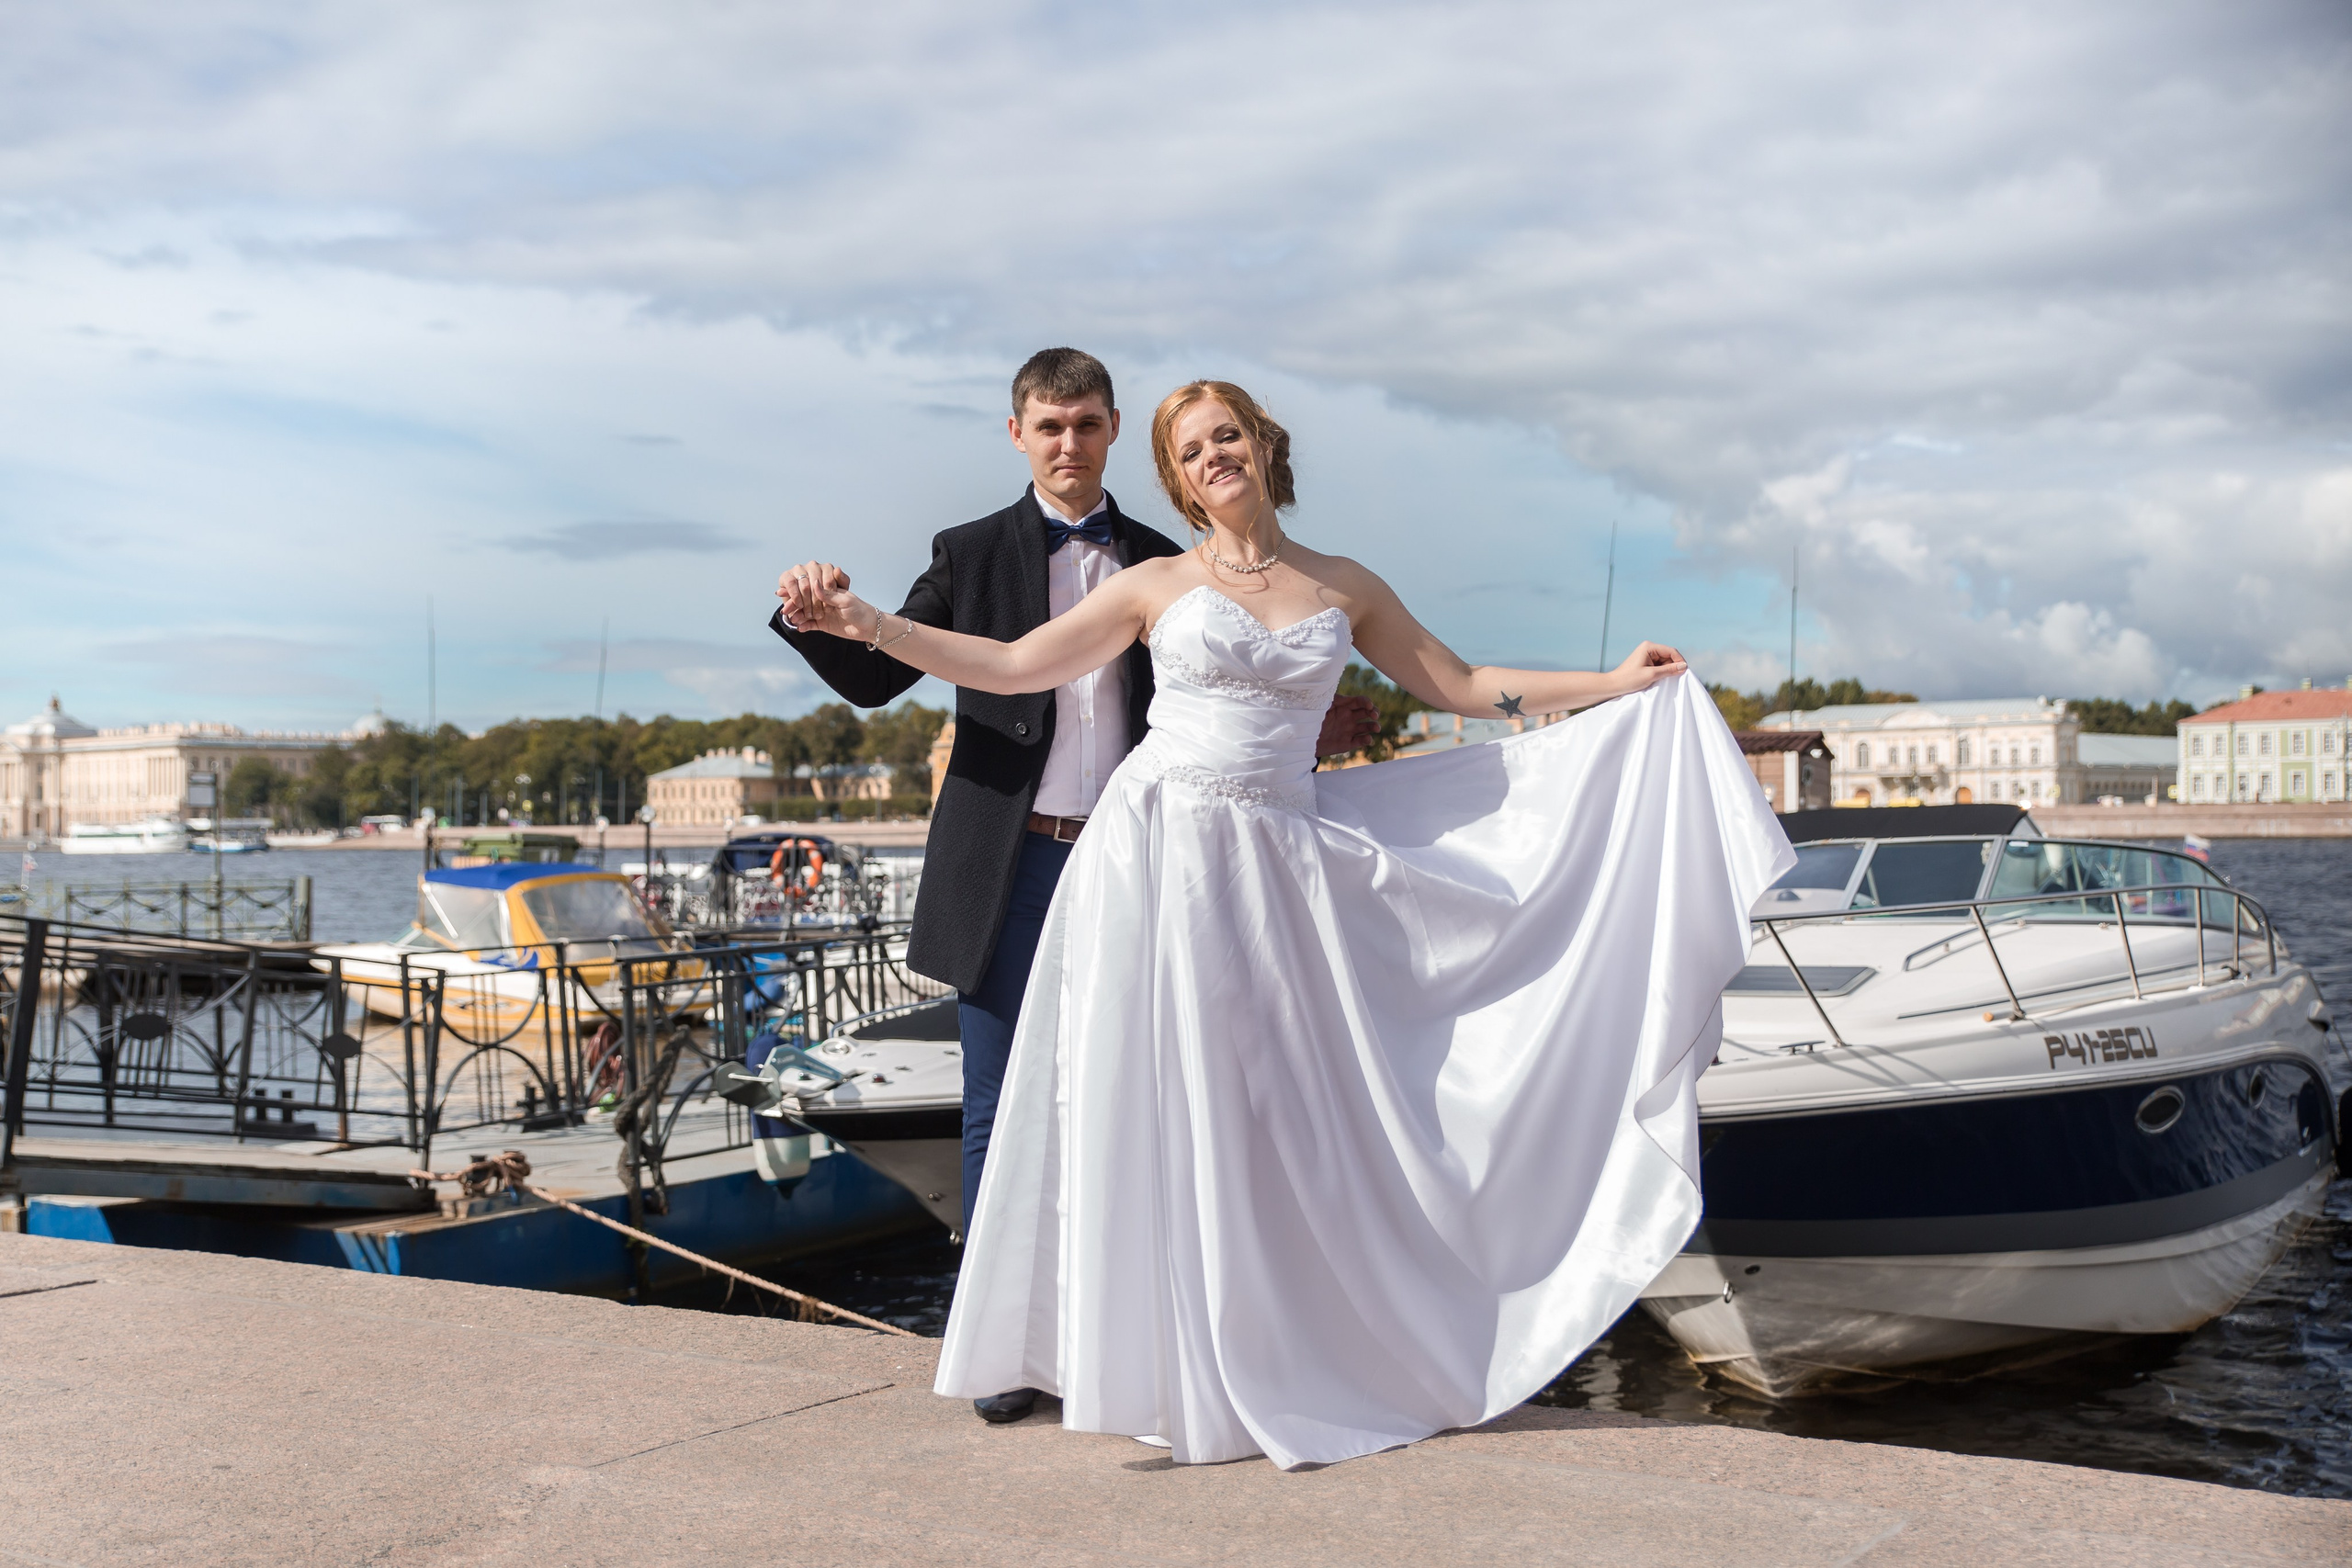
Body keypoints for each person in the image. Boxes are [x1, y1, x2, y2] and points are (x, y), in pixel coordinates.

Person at [775, 379, 1792, 1468]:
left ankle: (1278, 1346)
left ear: (1262, 444)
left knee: (1281, 1108)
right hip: (1157, 856)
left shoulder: (1343, 586)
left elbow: (1456, 682)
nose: (1214, 456)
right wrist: (868, 624)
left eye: (1227, 435)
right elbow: (1017, 666)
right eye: (1191, 447)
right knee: (1150, 1098)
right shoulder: (1153, 582)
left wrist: (1604, 685)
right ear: (1174, 474)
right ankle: (1148, 1357)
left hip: (1279, 866)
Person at [769, 351, 1374, 1427]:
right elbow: (878, 679)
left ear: (1109, 433)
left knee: (1139, 1093)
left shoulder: (1165, 557)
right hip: (1010, 860)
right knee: (1002, 1102)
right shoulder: (967, 552)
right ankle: (1001, 1348)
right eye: (1049, 425)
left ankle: (1120, 1335)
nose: (1069, 443)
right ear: (1017, 434)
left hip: (1155, 858)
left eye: (1088, 424)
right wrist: (825, 614)